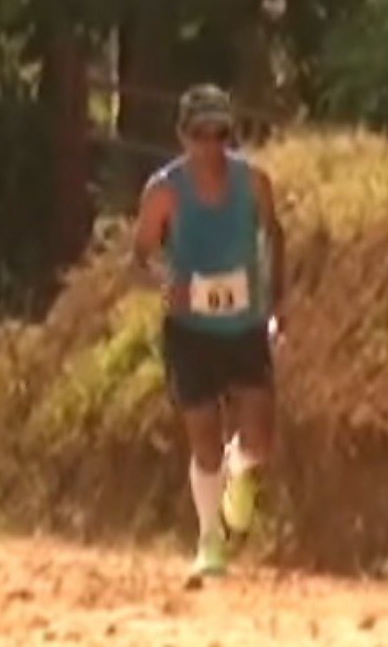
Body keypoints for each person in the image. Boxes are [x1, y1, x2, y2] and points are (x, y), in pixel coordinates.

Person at [132, 84, 285, 579]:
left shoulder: (254, 182)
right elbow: (142, 253)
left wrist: (275, 299)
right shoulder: (164, 191)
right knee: (202, 437)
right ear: (182, 136)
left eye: (220, 133)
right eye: (200, 134)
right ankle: (209, 540)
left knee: (259, 437)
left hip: (243, 326)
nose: (211, 145)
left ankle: (239, 474)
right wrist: (165, 281)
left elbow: (273, 232)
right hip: (190, 330)